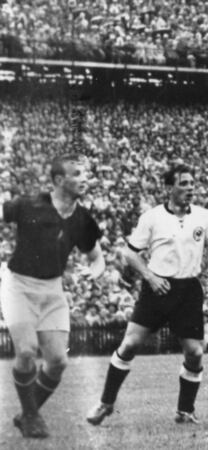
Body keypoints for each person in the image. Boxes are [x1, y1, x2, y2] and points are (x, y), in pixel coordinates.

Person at [86, 163, 208, 425]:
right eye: (183, 183)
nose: (189, 188)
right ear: (169, 187)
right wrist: (150, 277)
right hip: (156, 288)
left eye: (192, 183)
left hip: (188, 291)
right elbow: (130, 253)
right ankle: (105, 403)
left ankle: (184, 411)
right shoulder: (152, 217)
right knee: (129, 344)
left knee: (195, 353)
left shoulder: (204, 217)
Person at [1, 154, 105, 438]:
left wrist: (94, 272)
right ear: (59, 180)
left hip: (53, 289)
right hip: (19, 286)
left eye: (85, 174)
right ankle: (32, 416)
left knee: (58, 361)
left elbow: (97, 258)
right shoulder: (28, 204)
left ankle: (26, 414)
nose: (85, 179)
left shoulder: (82, 218)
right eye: (78, 174)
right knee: (25, 351)